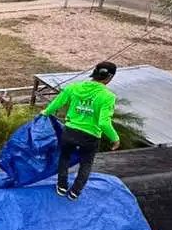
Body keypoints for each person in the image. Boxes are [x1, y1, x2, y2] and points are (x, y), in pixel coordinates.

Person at [42, 62, 120, 200]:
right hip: (90, 136)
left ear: (94, 73)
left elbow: (57, 103)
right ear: (110, 78)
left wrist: (45, 113)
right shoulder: (107, 96)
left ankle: (61, 186)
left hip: (70, 131)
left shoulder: (73, 87)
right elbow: (103, 122)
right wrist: (114, 138)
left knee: (64, 157)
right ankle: (75, 192)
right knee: (86, 163)